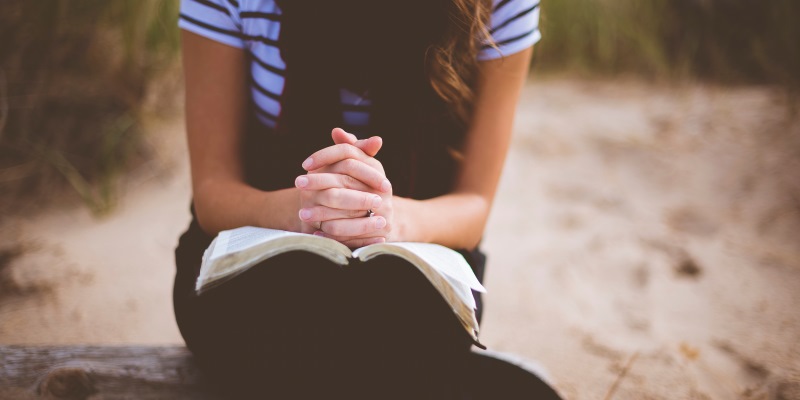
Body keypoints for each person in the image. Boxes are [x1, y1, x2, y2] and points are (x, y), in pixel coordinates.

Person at [173, 0, 561, 398]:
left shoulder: (499, 5)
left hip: (418, 262)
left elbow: (474, 203)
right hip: (256, 256)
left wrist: (386, 221)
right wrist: (306, 211)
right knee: (297, 326)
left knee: (396, 327)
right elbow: (212, 192)